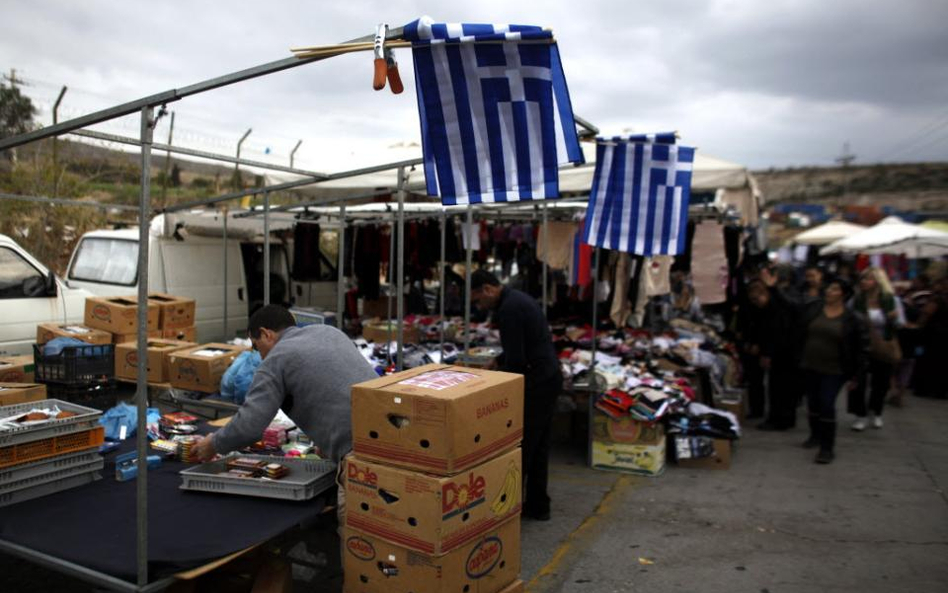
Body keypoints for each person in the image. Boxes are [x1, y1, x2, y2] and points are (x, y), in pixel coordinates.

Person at [193, 305, 379, 529]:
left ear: (266, 334)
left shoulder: (275, 360)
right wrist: (327, 441)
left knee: (362, 539)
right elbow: (335, 389)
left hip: (359, 457)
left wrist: (213, 444)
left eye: (256, 345)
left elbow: (249, 426)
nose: (258, 353)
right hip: (388, 434)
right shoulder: (330, 333)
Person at [470, 269, 562, 521]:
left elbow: (517, 360)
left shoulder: (509, 309)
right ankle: (538, 505)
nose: (480, 305)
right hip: (548, 376)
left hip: (537, 383)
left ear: (488, 289)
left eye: (478, 299)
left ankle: (506, 510)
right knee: (539, 446)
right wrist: (497, 360)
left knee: (522, 448)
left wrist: (494, 387)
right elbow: (524, 344)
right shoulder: (519, 299)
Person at [763, 269, 867, 464]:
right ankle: (815, 435)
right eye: (829, 288)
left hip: (834, 369)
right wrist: (773, 288)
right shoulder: (814, 308)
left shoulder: (852, 319)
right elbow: (791, 305)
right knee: (814, 403)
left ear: (843, 294)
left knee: (827, 404)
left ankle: (827, 448)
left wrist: (857, 375)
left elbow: (860, 349)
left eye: (835, 289)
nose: (829, 291)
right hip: (809, 365)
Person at [848, 267, 900, 430]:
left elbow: (900, 324)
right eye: (862, 279)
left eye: (868, 279)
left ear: (877, 281)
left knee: (881, 382)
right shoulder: (856, 300)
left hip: (883, 346)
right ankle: (860, 415)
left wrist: (893, 318)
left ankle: (876, 411)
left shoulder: (891, 299)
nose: (863, 282)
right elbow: (847, 320)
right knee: (859, 381)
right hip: (861, 347)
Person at [746, 279, 797, 430]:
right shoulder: (770, 309)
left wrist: (767, 354)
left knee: (779, 388)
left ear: (765, 294)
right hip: (783, 353)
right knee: (780, 388)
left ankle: (779, 419)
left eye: (756, 299)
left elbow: (774, 334)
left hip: (782, 354)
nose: (755, 303)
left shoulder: (774, 311)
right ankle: (783, 418)